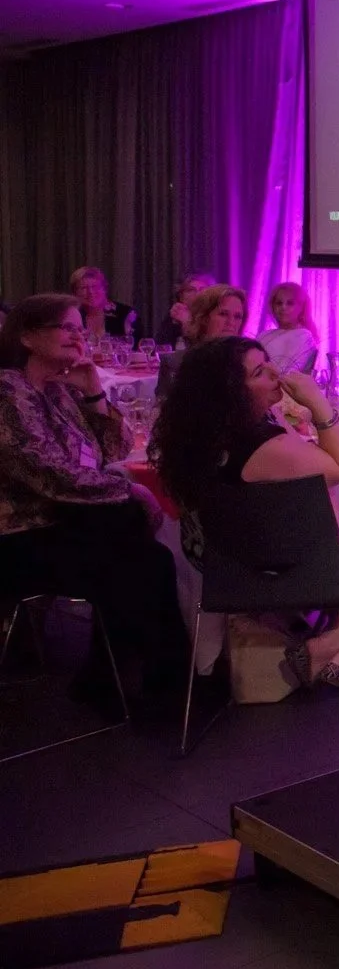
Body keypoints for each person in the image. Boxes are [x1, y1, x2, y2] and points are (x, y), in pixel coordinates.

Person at [151, 338, 339, 691]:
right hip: (276, 569)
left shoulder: (208, 435)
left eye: (270, 363)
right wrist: (319, 403)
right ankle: (328, 645)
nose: (276, 374)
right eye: (260, 372)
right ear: (231, 391)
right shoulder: (260, 444)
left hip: (224, 561)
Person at [0, 294, 188, 711]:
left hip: (67, 524)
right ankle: (149, 682)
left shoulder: (58, 391)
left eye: (79, 329)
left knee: (147, 558)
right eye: (66, 327)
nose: (77, 337)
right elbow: (50, 475)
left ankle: (138, 681)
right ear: (28, 337)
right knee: (132, 547)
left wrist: (92, 392)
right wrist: (131, 491)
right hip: (20, 536)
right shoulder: (8, 393)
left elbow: (114, 451)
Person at [156, 284, 250, 396]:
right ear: (204, 318)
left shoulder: (247, 362)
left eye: (238, 317)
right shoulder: (175, 363)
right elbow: (163, 409)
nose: (231, 322)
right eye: (223, 314)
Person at [257, 281, 321, 375]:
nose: (283, 307)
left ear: (301, 307)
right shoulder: (263, 335)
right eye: (279, 303)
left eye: (290, 303)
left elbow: (290, 374)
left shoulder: (304, 336)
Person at [69, 266, 138, 342]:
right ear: (74, 293)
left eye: (95, 287)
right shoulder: (70, 316)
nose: (90, 292)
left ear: (104, 289)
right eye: (83, 288)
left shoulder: (125, 314)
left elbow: (140, 347)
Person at [153, 271, 217, 347]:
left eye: (202, 289)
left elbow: (204, 348)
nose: (197, 294)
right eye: (191, 290)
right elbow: (161, 346)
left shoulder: (215, 315)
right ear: (181, 296)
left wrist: (187, 323)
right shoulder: (176, 314)